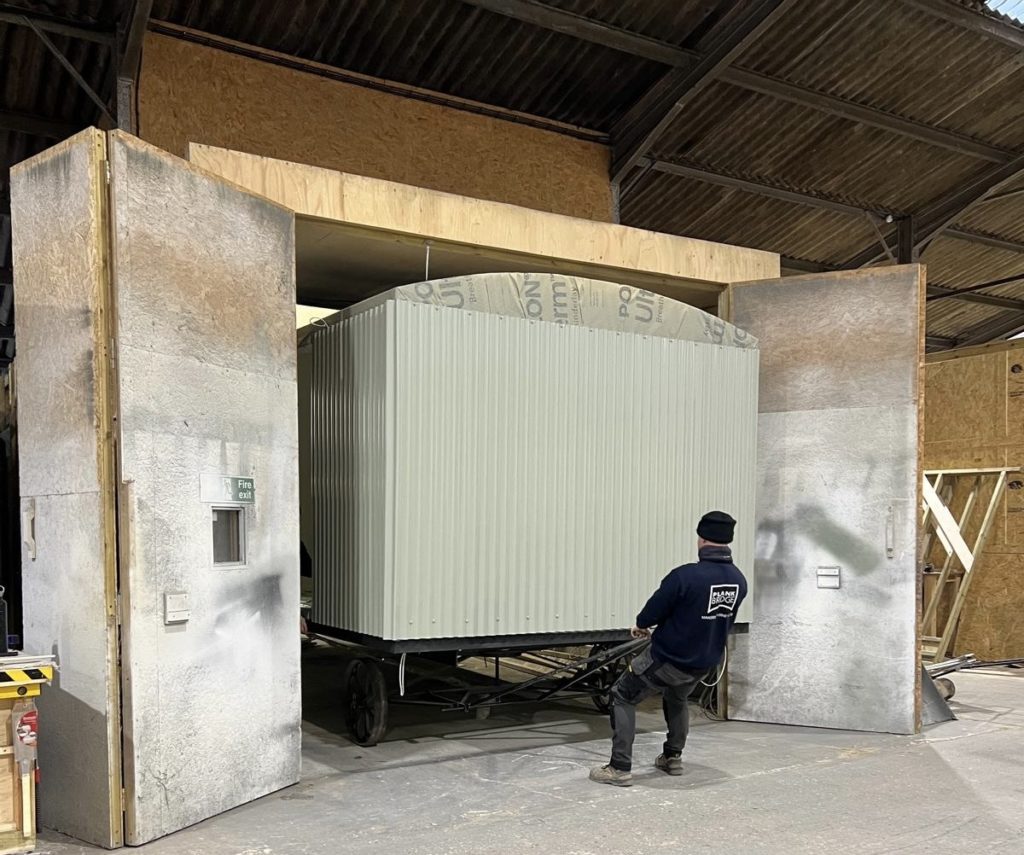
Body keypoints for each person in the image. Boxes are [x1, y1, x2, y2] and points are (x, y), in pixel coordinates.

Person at [590, 511, 748, 787]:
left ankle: (619, 767)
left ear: (701, 539)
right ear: (728, 541)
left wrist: (641, 624)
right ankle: (672, 757)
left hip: (667, 659)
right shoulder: (738, 580)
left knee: (622, 695)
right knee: (677, 698)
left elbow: (654, 610)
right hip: (703, 663)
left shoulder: (686, 576)